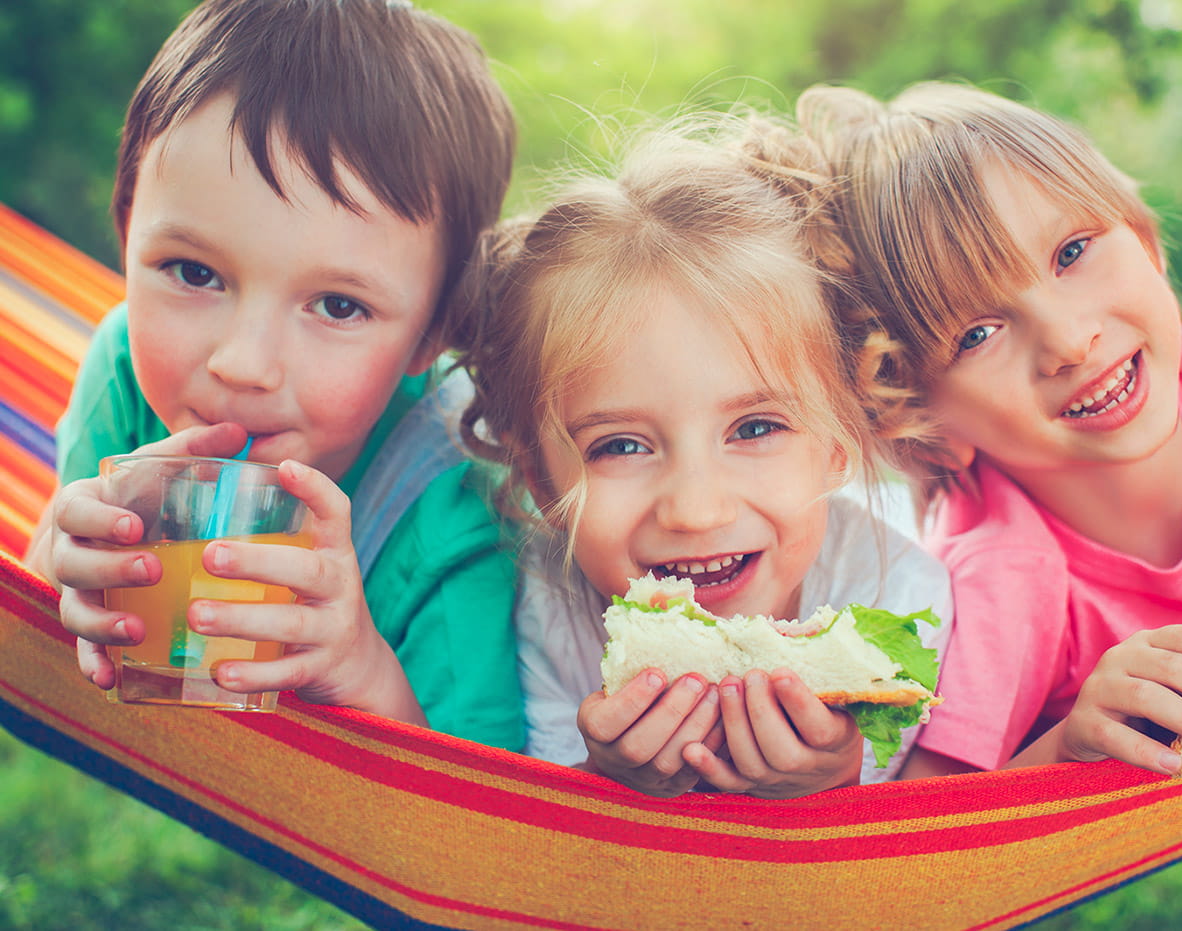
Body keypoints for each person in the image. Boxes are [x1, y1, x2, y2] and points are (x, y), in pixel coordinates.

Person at [794, 81, 1182, 779]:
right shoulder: (1003, 576)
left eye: (1072, 251)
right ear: (931, 431)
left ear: (1146, 243)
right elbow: (930, 825)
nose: (1070, 341)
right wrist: (1066, 746)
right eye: (979, 333)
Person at [24, 0, 524, 748]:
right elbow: (34, 627)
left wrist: (363, 671)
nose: (243, 363)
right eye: (192, 271)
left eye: (336, 305)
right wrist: (64, 570)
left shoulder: (457, 504)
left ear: (435, 334)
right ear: (126, 235)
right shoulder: (125, 363)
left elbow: (481, 825)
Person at [452, 118, 952, 798]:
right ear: (541, 479)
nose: (695, 509)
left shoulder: (899, 599)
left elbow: (896, 870)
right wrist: (607, 780)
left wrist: (836, 780)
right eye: (620, 446)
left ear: (841, 440)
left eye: (754, 428)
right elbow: (535, 850)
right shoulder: (550, 599)